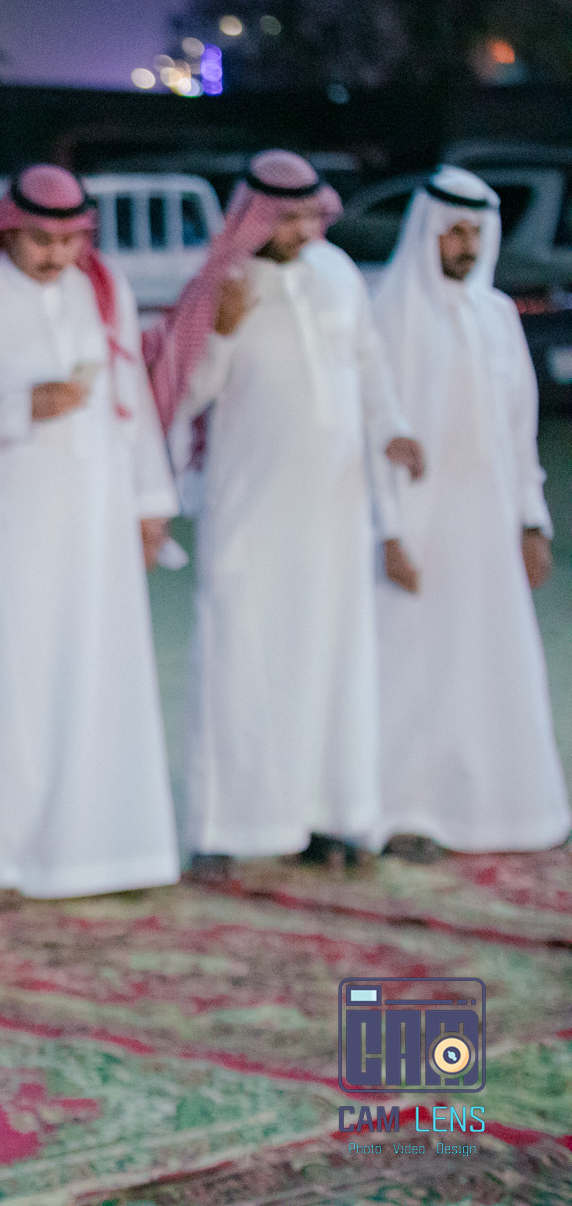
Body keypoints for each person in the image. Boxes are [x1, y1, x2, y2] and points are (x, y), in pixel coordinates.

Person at [148, 149, 422, 875]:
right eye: (287, 218)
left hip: (336, 512)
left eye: (310, 216)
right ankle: (225, 828)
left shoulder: (338, 273)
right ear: (255, 217)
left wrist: (392, 429)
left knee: (335, 662)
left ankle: (333, 818)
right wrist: (222, 329)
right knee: (243, 662)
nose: (303, 230)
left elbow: (368, 365)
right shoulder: (221, 287)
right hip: (252, 514)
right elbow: (186, 394)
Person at [0, 164, 180, 899]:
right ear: (8, 229)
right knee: (12, 683)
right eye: (42, 239)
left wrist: (150, 501)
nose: (58, 254)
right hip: (9, 530)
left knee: (101, 672)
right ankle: (1, 862)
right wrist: (20, 406)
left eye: (71, 240)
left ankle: (108, 853)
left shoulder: (100, 290)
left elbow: (131, 398)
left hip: (97, 522)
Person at [368, 166, 569, 857]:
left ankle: (503, 811)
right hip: (417, 527)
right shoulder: (390, 314)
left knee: (494, 662)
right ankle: (403, 811)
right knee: (410, 666)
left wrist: (532, 521)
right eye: (452, 232)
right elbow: (374, 438)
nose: (464, 246)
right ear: (426, 232)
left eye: (474, 233)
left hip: (488, 526)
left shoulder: (497, 316)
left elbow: (519, 434)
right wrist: (390, 532)